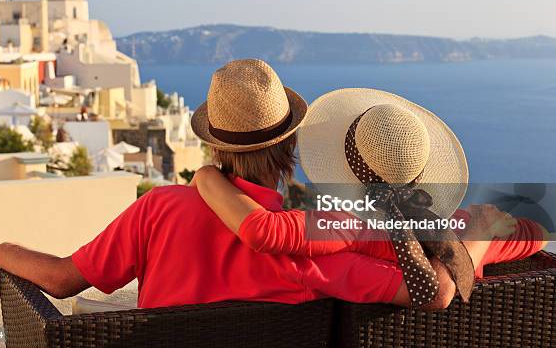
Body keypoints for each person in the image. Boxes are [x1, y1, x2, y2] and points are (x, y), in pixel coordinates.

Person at [0, 59, 467, 310]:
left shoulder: (157, 210)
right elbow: (434, 289)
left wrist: (4, 250)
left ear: (215, 147)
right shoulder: (312, 248)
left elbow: (64, 279)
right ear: (289, 148)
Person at [191, 88, 549, 282]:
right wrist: (479, 234)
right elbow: (536, 231)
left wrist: (206, 176)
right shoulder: (458, 227)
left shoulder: (342, 231)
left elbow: (262, 230)